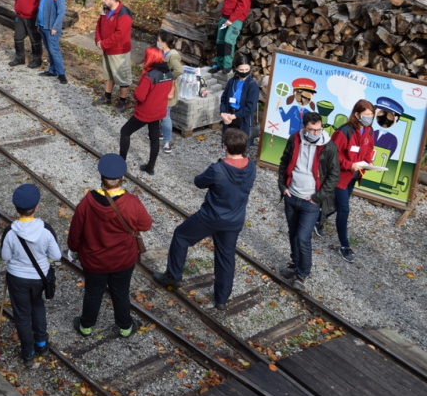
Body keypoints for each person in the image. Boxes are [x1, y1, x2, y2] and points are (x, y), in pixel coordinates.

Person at [154, 129, 256, 310]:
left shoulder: (218, 170)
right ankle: (222, 299)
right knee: (226, 257)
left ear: (225, 147)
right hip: (234, 220)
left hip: (211, 217)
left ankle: (173, 276)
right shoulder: (251, 167)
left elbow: (198, 182)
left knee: (181, 236)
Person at [68, 154, 152, 338]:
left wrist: (74, 249)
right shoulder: (132, 202)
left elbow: (75, 233)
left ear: (101, 177)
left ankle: (86, 326)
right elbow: (146, 224)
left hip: (94, 261)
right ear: (122, 178)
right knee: (121, 292)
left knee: (93, 292)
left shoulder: (86, 202)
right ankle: (125, 326)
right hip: (123, 260)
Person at [0, 184, 61, 366]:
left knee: (22, 315)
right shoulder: (46, 229)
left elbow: (5, 257)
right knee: (37, 306)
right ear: (36, 208)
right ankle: (41, 344)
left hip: (17, 279)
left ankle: (28, 352)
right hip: (40, 278)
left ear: (15, 208)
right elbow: (57, 256)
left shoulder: (10, 232)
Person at [277, 111, 339, 290]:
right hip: (291, 196)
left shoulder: (329, 147)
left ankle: (302, 274)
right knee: (293, 233)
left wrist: (317, 197)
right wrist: (283, 186)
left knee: (303, 238)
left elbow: (334, 175)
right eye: (311, 130)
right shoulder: (294, 139)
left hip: (310, 201)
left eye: (318, 130)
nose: (315, 133)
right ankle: (295, 263)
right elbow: (284, 162)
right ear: (303, 127)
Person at [327, 99, 375, 263]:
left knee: (338, 205)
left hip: (354, 176)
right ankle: (344, 246)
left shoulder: (369, 131)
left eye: (371, 114)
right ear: (357, 114)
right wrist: (349, 165)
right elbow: (332, 154)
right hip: (340, 176)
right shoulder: (344, 131)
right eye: (366, 114)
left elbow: (369, 150)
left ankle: (317, 219)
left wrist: (368, 162)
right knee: (344, 210)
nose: (369, 118)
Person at [119, 47, 174, 176]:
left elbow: (140, 96)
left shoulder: (149, 76)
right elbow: (169, 94)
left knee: (125, 132)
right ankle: (150, 167)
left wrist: (135, 92)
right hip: (158, 111)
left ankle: (121, 164)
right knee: (154, 138)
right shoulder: (169, 74)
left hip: (145, 113)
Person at [92, 0, 133, 113]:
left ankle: (122, 101)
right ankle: (107, 97)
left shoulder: (124, 13)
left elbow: (120, 34)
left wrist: (103, 43)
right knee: (108, 74)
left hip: (119, 51)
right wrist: (98, 40)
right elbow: (99, 25)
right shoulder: (105, 9)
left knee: (122, 77)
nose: (102, 1)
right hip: (107, 49)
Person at [209, 0, 252, 74]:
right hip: (225, 16)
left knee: (229, 41)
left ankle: (227, 66)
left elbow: (243, 6)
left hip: (236, 18)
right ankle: (218, 64)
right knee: (220, 40)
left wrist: (231, 20)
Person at [219, 54, 259, 151]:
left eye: (246, 69)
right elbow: (223, 99)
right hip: (229, 116)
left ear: (250, 68)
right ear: (236, 68)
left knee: (240, 148)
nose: (244, 72)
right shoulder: (231, 81)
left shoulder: (252, 85)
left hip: (242, 119)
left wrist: (234, 116)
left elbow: (250, 107)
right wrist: (223, 113)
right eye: (241, 70)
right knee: (228, 145)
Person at [10, 0, 45, 68]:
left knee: (35, 40)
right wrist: (17, 6)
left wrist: (34, 10)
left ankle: (37, 60)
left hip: (31, 17)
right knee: (18, 37)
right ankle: (19, 58)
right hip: (20, 16)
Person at [36, 0, 67, 84]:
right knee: (49, 49)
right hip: (43, 26)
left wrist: (55, 27)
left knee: (54, 50)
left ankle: (61, 73)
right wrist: (38, 24)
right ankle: (52, 70)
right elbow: (41, 9)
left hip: (51, 28)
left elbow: (61, 12)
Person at [157, 31, 183, 154]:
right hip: (161, 88)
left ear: (164, 43)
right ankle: (161, 132)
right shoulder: (163, 53)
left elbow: (179, 70)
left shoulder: (172, 56)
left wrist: (167, 77)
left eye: (159, 40)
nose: (158, 42)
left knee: (165, 115)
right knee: (161, 112)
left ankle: (167, 142)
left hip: (168, 89)